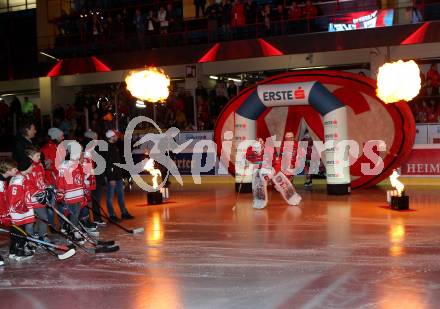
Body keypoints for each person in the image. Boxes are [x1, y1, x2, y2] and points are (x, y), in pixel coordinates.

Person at [246, 137, 301, 209]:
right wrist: (247, 163)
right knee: (258, 181)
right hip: (260, 170)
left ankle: (293, 198)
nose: (258, 152)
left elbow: (276, 164)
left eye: (259, 149)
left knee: (281, 181)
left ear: (262, 146)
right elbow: (247, 158)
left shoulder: (269, 150)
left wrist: (272, 173)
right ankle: (259, 201)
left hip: (272, 169)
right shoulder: (250, 150)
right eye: (256, 151)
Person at [56, 141, 87, 242]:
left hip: (78, 194)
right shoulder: (64, 165)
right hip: (70, 195)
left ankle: (74, 231)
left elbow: (80, 179)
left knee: (76, 214)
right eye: (80, 151)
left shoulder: (78, 164)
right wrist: (60, 195)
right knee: (74, 214)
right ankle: (74, 232)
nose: (81, 154)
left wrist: (84, 190)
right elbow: (60, 182)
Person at [7, 158, 36, 260]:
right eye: (31, 165)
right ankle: (19, 251)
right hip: (18, 211)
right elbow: (14, 197)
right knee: (19, 231)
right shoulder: (18, 179)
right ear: (26, 167)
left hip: (21, 209)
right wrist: (20, 207)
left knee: (18, 230)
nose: (33, 167)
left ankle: (13, 251)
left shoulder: (22, 177)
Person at [103, 130, 134, 221]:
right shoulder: (106, 148)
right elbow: (107, 164)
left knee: (121, 195)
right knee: (110, 197)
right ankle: (112, 215)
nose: (117, 137)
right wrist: (110, 178)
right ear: (111, 137)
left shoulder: (115, 147)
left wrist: (121, 174)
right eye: (116, 136)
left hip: (118, 176)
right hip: (112, 178)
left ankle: (124, 212)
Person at [41, 127, 64, 228]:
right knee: (51, 205)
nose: (63, 137)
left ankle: (63, 225)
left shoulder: (57, 147)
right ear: (55, 136)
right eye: (61, 135)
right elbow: (47, 166)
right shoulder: (46, 149)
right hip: (50, 181)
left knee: (61, 204)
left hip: (58, 179)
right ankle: (52, 226)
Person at [26, 146, 50, 242]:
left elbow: (42, 179)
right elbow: (28, 184)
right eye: (37, 155)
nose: (39, 157)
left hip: (41, 194)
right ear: (30, 157)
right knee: (39, 218)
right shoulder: (28, 167)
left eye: (39, 155)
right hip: (33, 197)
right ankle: (37, 236)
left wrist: (47, 186)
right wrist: (37, 193)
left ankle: (38, 234)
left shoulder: (40, 165)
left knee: (41, 216)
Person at [0, 159, 18, 265]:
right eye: (14, 169)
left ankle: (15, 248)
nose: (17, 170)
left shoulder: (4, 179)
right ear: (7, 170)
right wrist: (3, 214)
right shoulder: (0, 182)